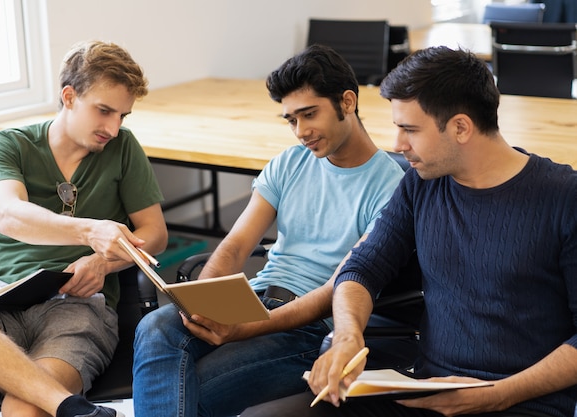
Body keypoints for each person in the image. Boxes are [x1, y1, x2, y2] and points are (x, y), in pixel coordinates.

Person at [241, 46, 577, 417]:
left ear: (461, 127)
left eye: (409, 130)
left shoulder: (564, 198)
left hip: (520, 402)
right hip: (426, 391)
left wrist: (496, 394)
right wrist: (348, 335)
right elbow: (362, 268)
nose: (398, 145)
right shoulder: (421, 184)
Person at [132, 44, 406, 417]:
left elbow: (339, 289)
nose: (301, 132)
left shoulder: (390, 189)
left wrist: (242, 329)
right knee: (156, 327)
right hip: (254, 297)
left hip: (310, 328)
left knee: (187, 392)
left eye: (309, 114)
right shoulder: (291, 162)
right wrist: (198, 304)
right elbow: (235, 246)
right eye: (291, 120)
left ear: (346, 102)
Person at [0, 40, 168, 417]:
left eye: (123, 116)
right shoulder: (7, 145)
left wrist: (103, 263)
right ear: (68, 96)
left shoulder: (123, 148)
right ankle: (75, 409)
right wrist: (90, 232)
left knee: (24, 407)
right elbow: (11, 216)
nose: (113, 128)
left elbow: (155, 234)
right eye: (104, 111)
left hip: (78, 307)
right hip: (3, 301)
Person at [0, 287, 124, 417]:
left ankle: (67, 405)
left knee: (24, 411)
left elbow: (149, 241)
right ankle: (69, 404)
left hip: (72, 303)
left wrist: (103, 262)